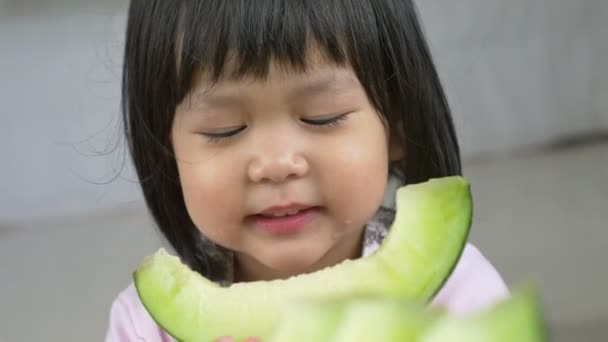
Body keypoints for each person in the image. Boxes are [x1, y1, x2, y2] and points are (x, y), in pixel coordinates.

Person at [106, 0, 509, 340]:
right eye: (224, 129)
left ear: (398, 125)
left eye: (322, 117)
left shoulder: (459, 295)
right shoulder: (145, 327)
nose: (276, 165)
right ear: (165, 148)